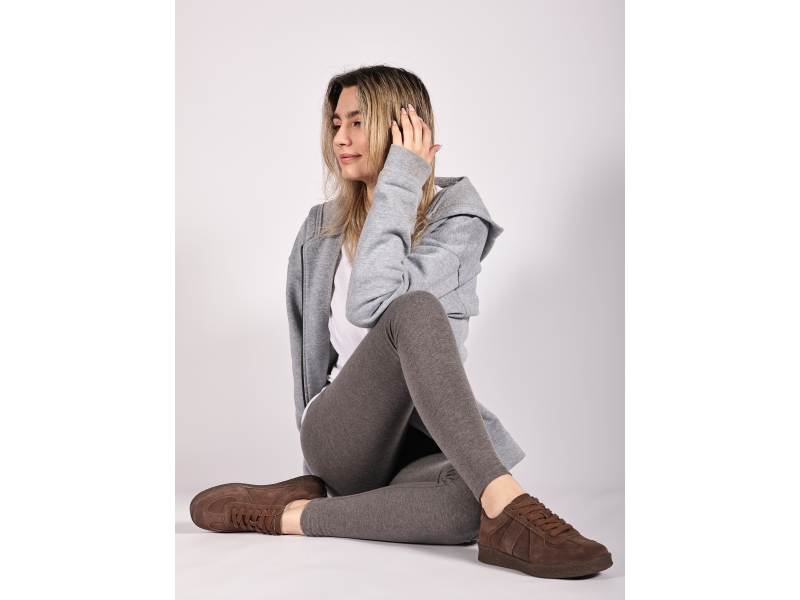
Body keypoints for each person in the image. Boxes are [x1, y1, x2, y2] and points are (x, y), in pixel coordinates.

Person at [190, 65, 612, 579]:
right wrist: (401, 178)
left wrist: (400, 183)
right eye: (336, 124)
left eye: (357, 122)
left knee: (466, 506)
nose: (340, 138)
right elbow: (347, 324)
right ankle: (510, 507)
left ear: (401, 128)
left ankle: (290, 515)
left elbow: (376, 300)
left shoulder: (457, 222)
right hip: (339, 436)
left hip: (416, 443)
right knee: (414, 310)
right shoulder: (320, 230)